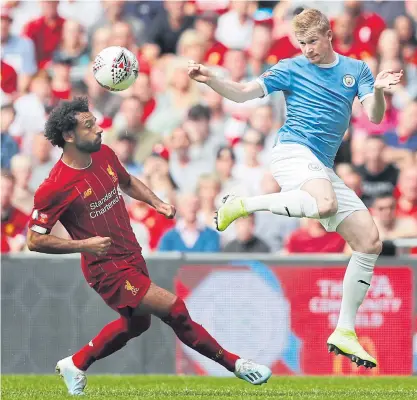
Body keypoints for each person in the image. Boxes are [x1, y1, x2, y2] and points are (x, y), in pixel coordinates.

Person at [188, 8, 403, 369]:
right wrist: (212, 79)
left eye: (312, 42)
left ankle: (344, 330)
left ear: (329, 34)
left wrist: (379, 91)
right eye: (301, 43)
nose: (307, 49)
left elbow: (375, 117)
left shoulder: (357, 71)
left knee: (369, 241)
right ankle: (244, 204)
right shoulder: (290, 67)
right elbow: (242, 94)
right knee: (323, 202)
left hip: (322, 166)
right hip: (291, 152)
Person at [26, 97, 271, 395]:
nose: (99, 129)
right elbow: (35, 239)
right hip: (105, 267)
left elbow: (127, 182)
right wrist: (84, 245)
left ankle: (76, 363)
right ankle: (237, 365)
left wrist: (156, 202)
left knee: (136, 325)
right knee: (175, 307)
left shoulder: (104, 154)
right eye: (90, 126)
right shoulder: (54, 186)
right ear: (69, 136)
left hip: (130, 253)